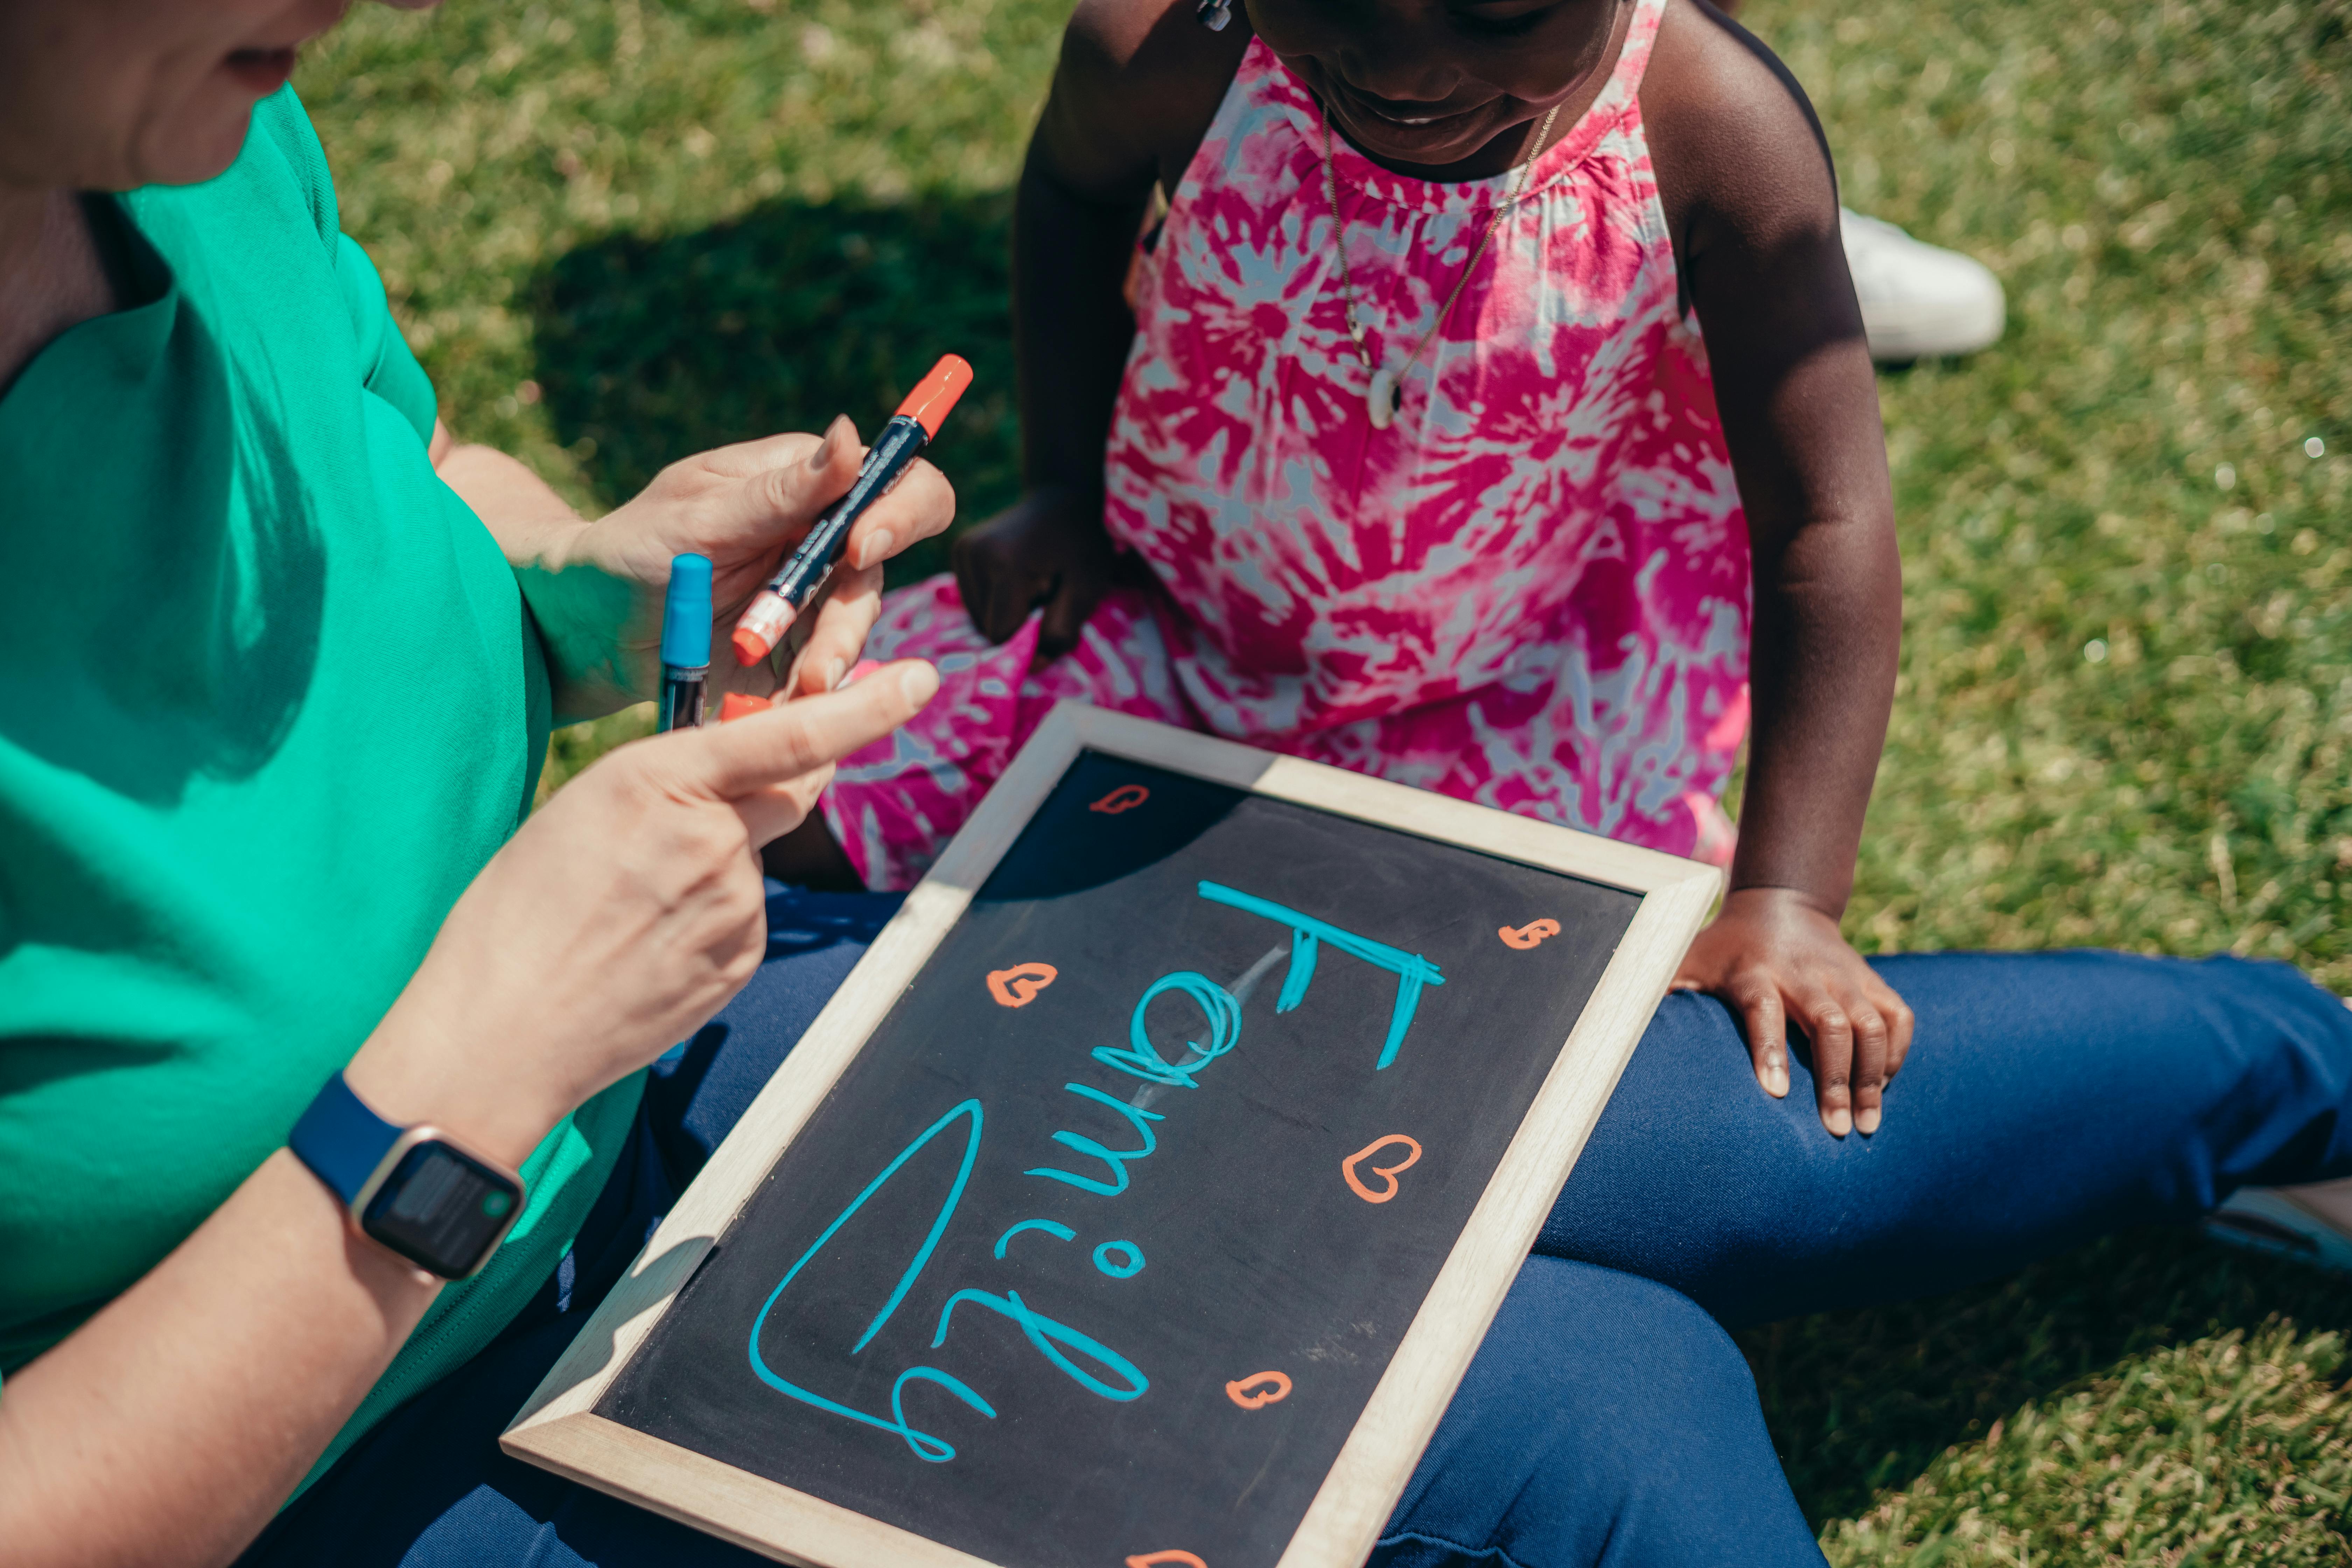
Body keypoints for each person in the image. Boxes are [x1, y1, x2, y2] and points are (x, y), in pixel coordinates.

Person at [9, 6, 2352, 1568]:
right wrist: (462, 1072)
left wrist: (577, 587)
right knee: (1625, 1428)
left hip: (669, 1058)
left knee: (1717, 1213)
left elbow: (389, 477)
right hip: (372, 1389)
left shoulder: (182, 114)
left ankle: (2300, 1077)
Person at [779, 0, 1911, 1140]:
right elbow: (1075, 198)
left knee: (1453, 1067)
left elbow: (1826, 520)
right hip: (1169, 628)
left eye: (1500, 14)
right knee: (787, 813)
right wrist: (1066, 490)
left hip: (1503, 706)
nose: (1403, 69)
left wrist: (1787, 897)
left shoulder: (1717, 133)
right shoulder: (1175, 50)